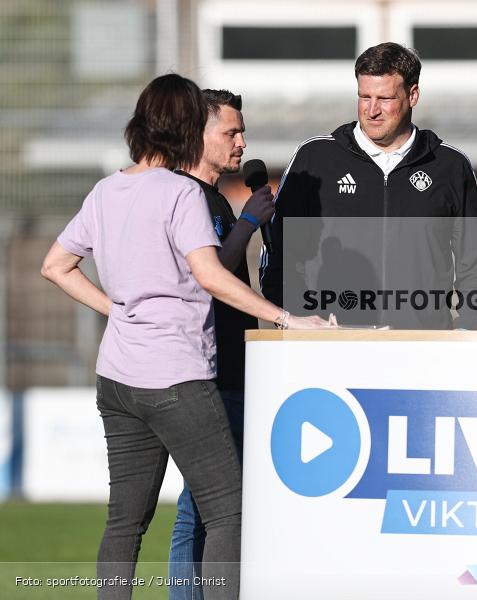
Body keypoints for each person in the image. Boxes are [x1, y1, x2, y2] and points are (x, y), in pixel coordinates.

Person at [40, 74, 333, 600]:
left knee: (124, 524)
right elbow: (212, 275)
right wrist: (289, 320)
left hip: (117, 378)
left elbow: (56, 266)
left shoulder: (107, 188)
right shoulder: (180, 192)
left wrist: (119, 311)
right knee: (229, 511)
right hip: (177, 377)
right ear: (184, 127)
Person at [260, 42, 477, 329]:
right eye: (364, 97)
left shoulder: (450, 165)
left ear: (413, 95)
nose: (372, 110)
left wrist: (471, 324)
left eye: (384, 99)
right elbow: (278, 251)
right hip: (330, 345)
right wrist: (294, 316)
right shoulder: (315, 159)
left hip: (422, 348)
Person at [167, 89, 271, 600]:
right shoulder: (187, 197)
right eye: (230, 131)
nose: (241, 141)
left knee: (212, 506)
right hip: (205, 376)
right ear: (197, 134)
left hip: (231, 369)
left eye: (240, 130)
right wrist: (250, 220)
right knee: (200, 509)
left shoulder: (215, 200)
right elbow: (208, 274)